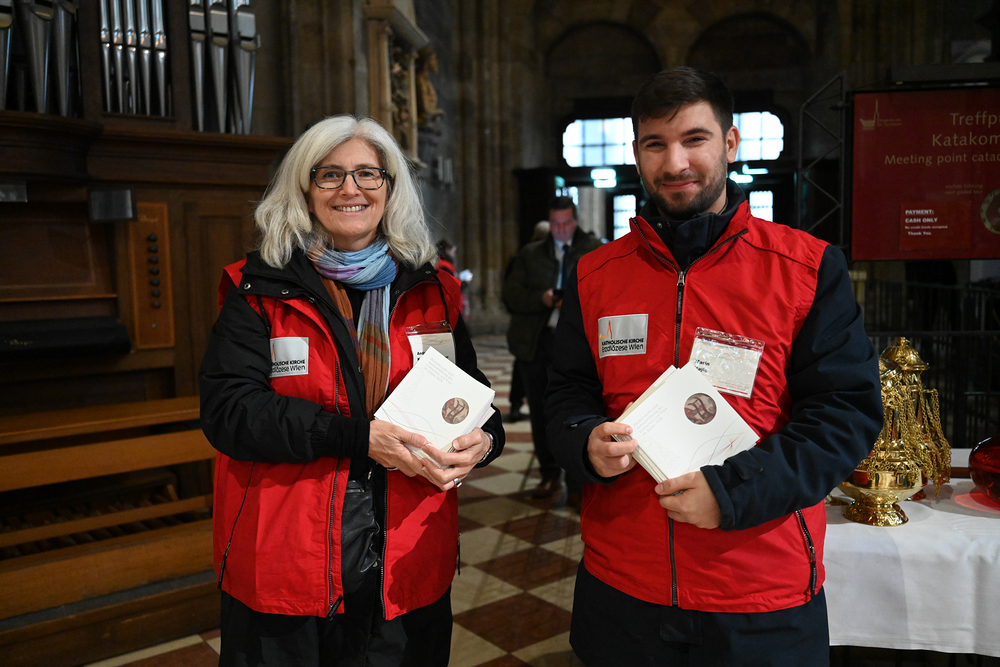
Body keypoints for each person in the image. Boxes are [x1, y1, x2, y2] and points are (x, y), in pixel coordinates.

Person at [545, 66, 883, 666]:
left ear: (729, 143)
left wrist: (731, 493)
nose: (675, 162)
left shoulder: (806, 268)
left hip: (757, 591)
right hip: (623, 585)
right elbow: (565, 393)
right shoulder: (595, 274)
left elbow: (844, 417)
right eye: (656, 144)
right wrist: (584, 441)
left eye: (694, 139)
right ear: (637, 153)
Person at [199, 114, 504, 667]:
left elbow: (474, 395)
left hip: (406, 557)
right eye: (330, 175)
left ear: (390, 187)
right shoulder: (259, 288)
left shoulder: (431, 289)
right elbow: (231, 413)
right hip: (291, 558)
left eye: (368, 173)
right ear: (304, 188)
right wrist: (359, 438)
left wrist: (485, 442)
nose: (350, 189)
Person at [502, 199, 600, 503]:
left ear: (576, 221)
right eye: (555, 224)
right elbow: (511, 295)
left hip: (579, 345)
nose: (560, 229)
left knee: (579, 411)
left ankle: (577, 482)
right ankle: (548, 474)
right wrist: (541, 299)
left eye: (566, 223)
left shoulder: (594, 250)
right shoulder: (531, 254)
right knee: (541, 412)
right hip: (539, 342)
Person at [505, 221, 550, 424]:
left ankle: (517, 405)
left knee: (523, 368)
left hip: (535, 330)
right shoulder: (525, 257)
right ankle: (519, 406)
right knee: (525, 368)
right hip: (528, 327)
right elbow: (510, 293)